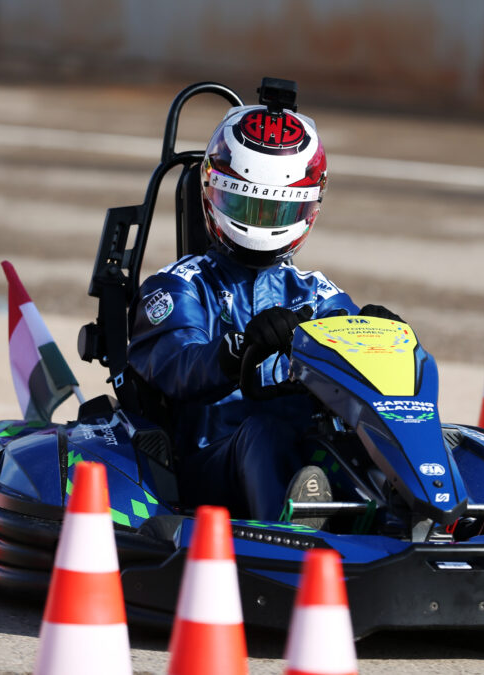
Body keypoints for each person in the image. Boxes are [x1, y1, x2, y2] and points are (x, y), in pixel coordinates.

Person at [126, 100, 400, 525]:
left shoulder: (314, 291)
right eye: (245, 207)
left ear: (307, 207)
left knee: (381, 431)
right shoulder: (179, 286)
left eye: (276, 211)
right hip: (208, 465)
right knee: (265, 432)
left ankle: (440, 517)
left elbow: (361, 380)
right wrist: (235, 353)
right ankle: (290, 539)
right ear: (213, 192)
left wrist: (384, 344)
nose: (260, 224)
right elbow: (174, 365)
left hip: (309, 457)